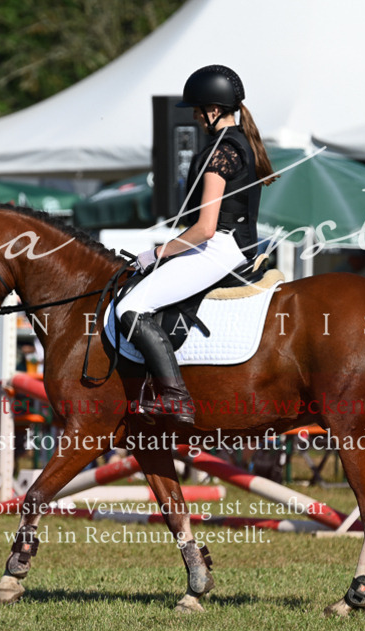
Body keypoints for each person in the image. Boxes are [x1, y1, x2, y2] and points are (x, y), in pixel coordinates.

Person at [116, 65, 276, 424]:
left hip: (219, 247)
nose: (194, 116)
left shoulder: (220, 151)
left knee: (132, 307)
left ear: (213, 109)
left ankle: (175, 397)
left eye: (197, 109)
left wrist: (157, 253)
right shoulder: (241, 142)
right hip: (234, 245)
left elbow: (204, 228)